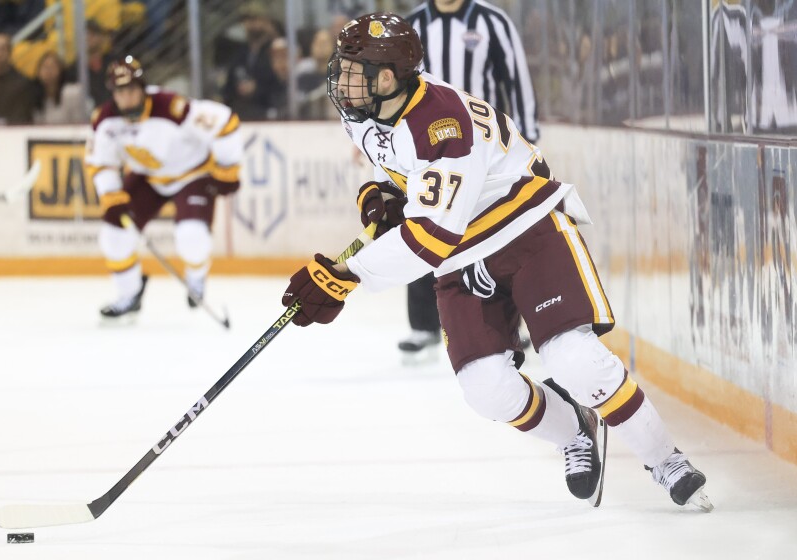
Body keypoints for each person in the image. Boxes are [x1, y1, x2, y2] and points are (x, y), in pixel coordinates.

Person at [281, 12, 712, 511]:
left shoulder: (440, 124)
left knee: (574, 359)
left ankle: (665, 460)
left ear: (388, 78)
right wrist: (382, 192)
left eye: (354, 72)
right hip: (462, 250)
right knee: (486, 389)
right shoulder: (363, 110)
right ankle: (574, 429)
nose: (341, 81)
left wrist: (346, 276)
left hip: (524, 227)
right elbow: (392, 164)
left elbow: (430, 238)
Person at [396, 0, 540, 361]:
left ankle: (509, 322)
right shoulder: (411, 26)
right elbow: (393, 84)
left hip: (484, 149)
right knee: (423, 223)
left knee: (495, 230)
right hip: (424, 149)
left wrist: (528, 138)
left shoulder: (492, 22)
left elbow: (515, 79)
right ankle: (423, 324)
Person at [85, 56, 243, 320]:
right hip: (148, 177)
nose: (127, 97)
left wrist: (229, 169)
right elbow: (100, 162)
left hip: (193, 174)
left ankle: (196, 279)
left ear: (142, 87)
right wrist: (110, 194)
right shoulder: (105, 120)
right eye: (120, 92)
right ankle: (129, 294)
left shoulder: (170, 107)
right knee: (113, 233)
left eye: (131, 89)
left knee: (191, 236)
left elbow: (225, 121)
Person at [32, 50, 88, 124]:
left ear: (60, 69)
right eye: (45, 67)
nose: (48, 71)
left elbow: (80, 123)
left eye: (52, 67)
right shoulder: (35, 97)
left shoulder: (72, 93)